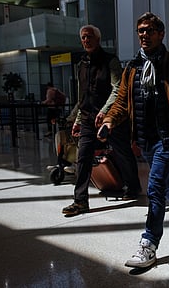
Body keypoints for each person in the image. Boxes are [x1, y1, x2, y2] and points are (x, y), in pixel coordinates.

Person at [100, 12, 169, 268]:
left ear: (161, 34)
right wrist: (110, 120)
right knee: (166, 181)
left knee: (155, 187)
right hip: (145, 139)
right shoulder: (132, 68)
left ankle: (149, 244)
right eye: (140, 31)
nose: (144, 35)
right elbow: (122, 101)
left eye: (149, 30)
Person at [61, 24, 140, 216]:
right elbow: (82, 97)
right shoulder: (82, 65)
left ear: (98, 39)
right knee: (83, 158)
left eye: (89, 37)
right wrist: (78, 119)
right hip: (88, 118)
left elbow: (118, 88)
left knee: (123, 152)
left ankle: (133, 187)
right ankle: (80, 201)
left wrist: (105, 112)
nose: (86, 40)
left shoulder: (110, 61)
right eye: (83, 37)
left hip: (111, 119)